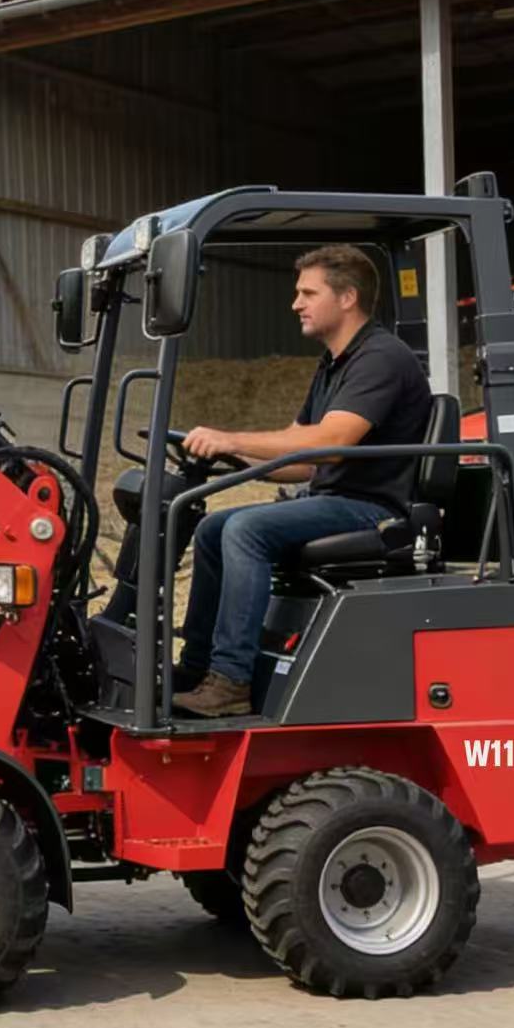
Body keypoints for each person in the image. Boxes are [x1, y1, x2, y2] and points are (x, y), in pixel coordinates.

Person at [171, 244, 431, 717]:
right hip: (334, 496)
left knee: (246, 531)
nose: (296, 304)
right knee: (213, 528)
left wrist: (231, 438)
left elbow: (331, 443)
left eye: (307, 293)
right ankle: (196, 670)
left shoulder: (380, 358)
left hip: (372, 508)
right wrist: (232, 455)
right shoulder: (335, 362)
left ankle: (231, 682)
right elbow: (301, 459)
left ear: (347, 297)